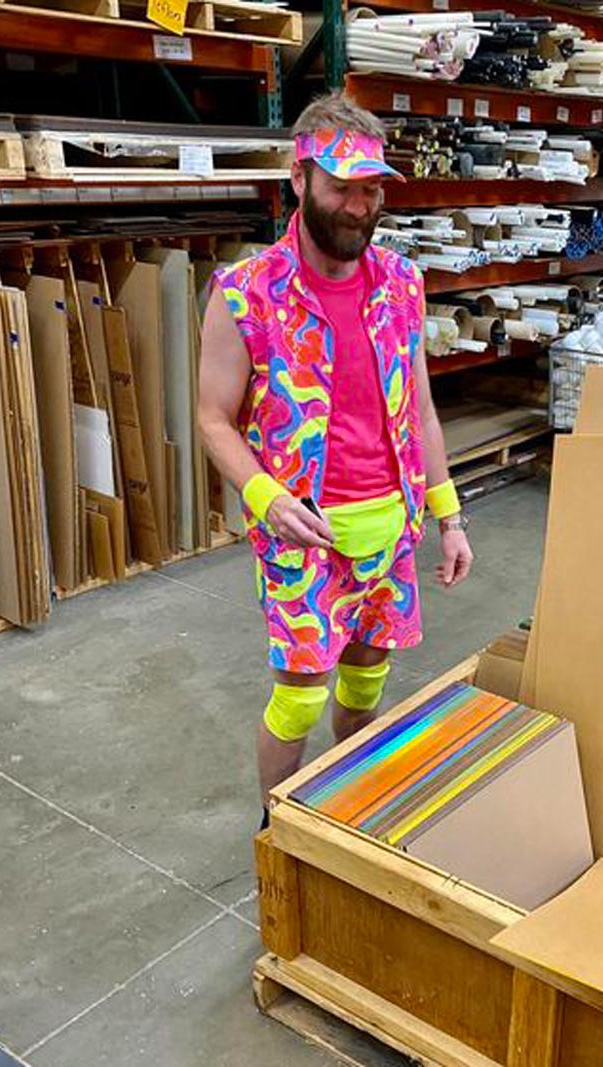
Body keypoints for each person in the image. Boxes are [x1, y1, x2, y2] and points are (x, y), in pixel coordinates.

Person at [198, 93, 474, 823]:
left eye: (371, 187)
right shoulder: (246, 293)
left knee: (364, 688)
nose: (358, 205)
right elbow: (211, 418)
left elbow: (418, 408)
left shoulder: (401, 285)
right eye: (341, 186)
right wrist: (266, 498)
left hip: (390, 529)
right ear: (299, 178)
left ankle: (351, 810)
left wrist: (449, 515)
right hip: (303, 531)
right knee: (298, 698)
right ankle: (279, 832)